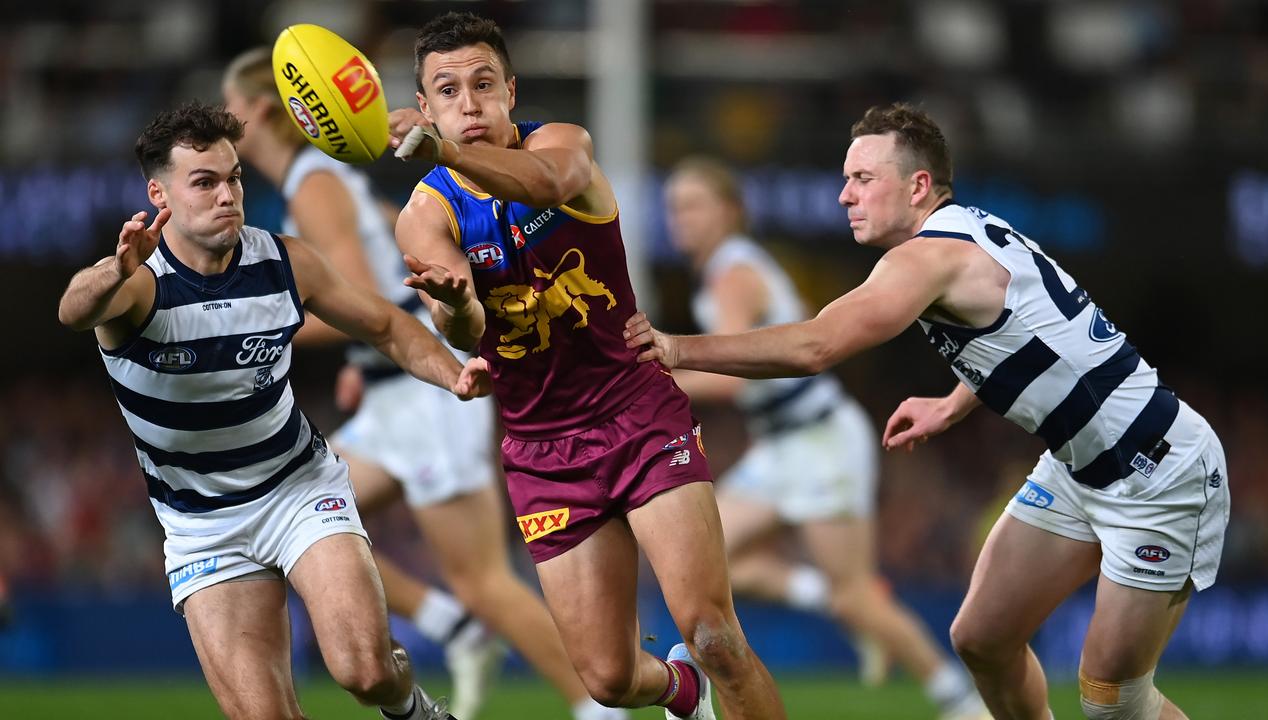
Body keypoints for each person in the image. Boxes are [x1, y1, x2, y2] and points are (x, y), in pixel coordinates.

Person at [626, 103, 1230, 720]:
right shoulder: (967, 232)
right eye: (845, 179)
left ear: (918, 186)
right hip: (1080, 469)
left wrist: (675, 348)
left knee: (1113, 702)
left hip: (1157, 472)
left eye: (863, 179)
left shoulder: (925, 259)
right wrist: (956, 399)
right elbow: (1040, 332)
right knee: (983, 639)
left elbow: (816, 345)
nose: (844, 196)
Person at [390, 11, 786, 720]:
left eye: (483, 84)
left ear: (511, 90)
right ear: (425, 108)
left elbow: (545, 185)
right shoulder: (426, 217)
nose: (469, 104)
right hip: (543, 450)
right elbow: (464, 330)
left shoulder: (565, 144)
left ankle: (706, 673)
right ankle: (679, 692)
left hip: (637, 411)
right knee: (607, 679)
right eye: (447, 92)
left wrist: (445, 153)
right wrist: (454, 305)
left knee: (714, 633)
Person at [222, 48, 623, 720]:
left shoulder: (314, 183)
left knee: (482, 579)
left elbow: (360, 290)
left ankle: (596, 707)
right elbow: (382, 254)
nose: (224, 121)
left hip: (429, 391)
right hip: (392, 391)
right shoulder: (320, 178)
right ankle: (453, 627)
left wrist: (248, 338)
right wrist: (362, 361)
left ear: (263, 110)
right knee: (289, 515)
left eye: (230, 107)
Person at [56, 101, 485, 720]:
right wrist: (113, 270)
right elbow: (72, 310)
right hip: (202, 525)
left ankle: (415, 710)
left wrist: (454, 374)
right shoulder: (134, 284)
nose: (227, 194)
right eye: (204, 182)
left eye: (233, 178)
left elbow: (387, 324)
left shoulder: (285, 262)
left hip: (298, 488)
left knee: (365, 671)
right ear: (160, 192)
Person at [663, 156, 988, 720]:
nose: (681, 218)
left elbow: (728, 381)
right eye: (674, 207)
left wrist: (652, 378)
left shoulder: (734, 272)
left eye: (695, 204)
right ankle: (822, 604)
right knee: (702, 563)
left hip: (819, 440)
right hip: (782, 445)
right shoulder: (725, 271)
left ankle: (959, 702)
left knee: (853, 594)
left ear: (730, 212)